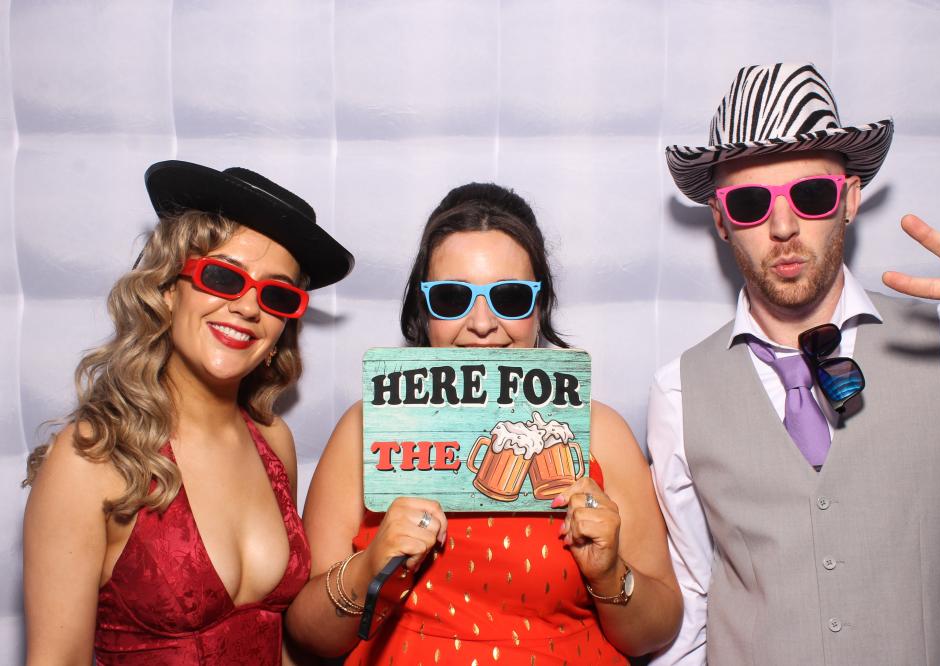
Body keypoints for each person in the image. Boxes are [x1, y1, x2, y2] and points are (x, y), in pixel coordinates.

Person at [649, 62, 940, 665]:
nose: (784, 227)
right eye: (751, 203)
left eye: (811, 195)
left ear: (850, 199)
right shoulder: (678, 390)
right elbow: (691, 606)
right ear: (721, 220)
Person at [286, 182, 682, 663]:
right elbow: (308, 636)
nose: (481, 323)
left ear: (540, 307)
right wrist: (368, 568)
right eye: (452, 297)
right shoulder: (367, 428)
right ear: (423, 309)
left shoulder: (598, 431)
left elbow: (655, 632)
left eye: (510, 297)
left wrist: (609, 572)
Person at [22, 161, 353, 664]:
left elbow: (284, 644)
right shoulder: (92, 457)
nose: (248, 308)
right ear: (168, 288)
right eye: (223, 277)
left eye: (276, 294)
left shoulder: (273, 440)